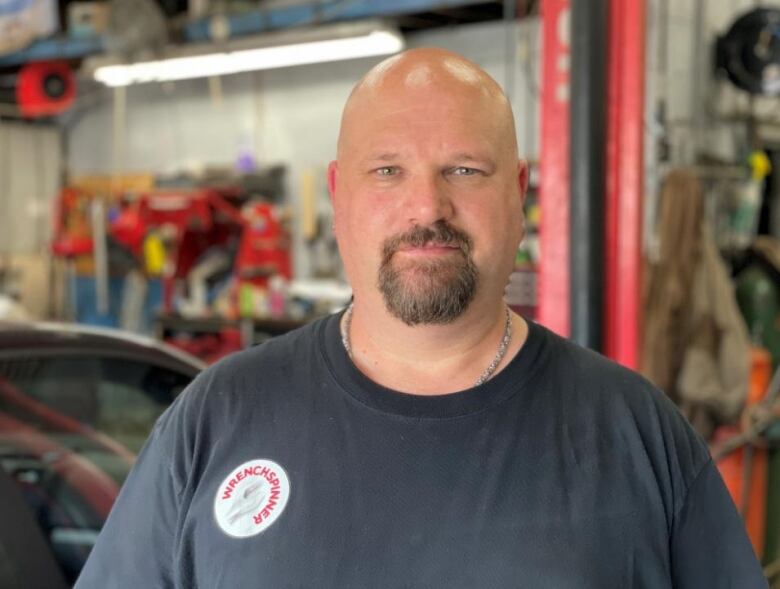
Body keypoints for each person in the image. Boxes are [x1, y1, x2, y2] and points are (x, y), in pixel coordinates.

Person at [75, 48, 768, 588]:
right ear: (339, 193)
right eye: (387, 171)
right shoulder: (214, 423)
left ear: (518, 195)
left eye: (464, 169)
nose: (427, 207)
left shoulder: (639, 436)